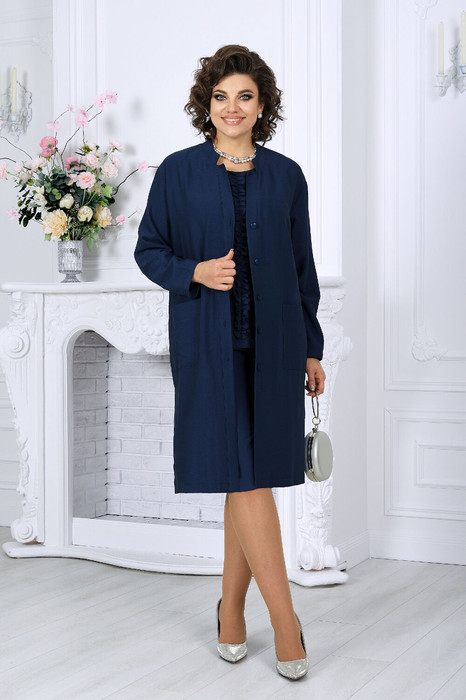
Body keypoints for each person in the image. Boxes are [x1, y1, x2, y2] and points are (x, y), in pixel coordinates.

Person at [134, 44, 325, 681]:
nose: (232, 107)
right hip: (207, 343)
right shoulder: (178, 172)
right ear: (206, 104)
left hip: (275, 345)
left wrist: (312, 346)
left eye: (244, 96)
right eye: (221, 97)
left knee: (248, 475)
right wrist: (195, 271)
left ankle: (231, 612)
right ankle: (286, 622)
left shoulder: (287, 175)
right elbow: (149, 249)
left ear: (262, 105)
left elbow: (302, 266)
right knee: (244, 477)